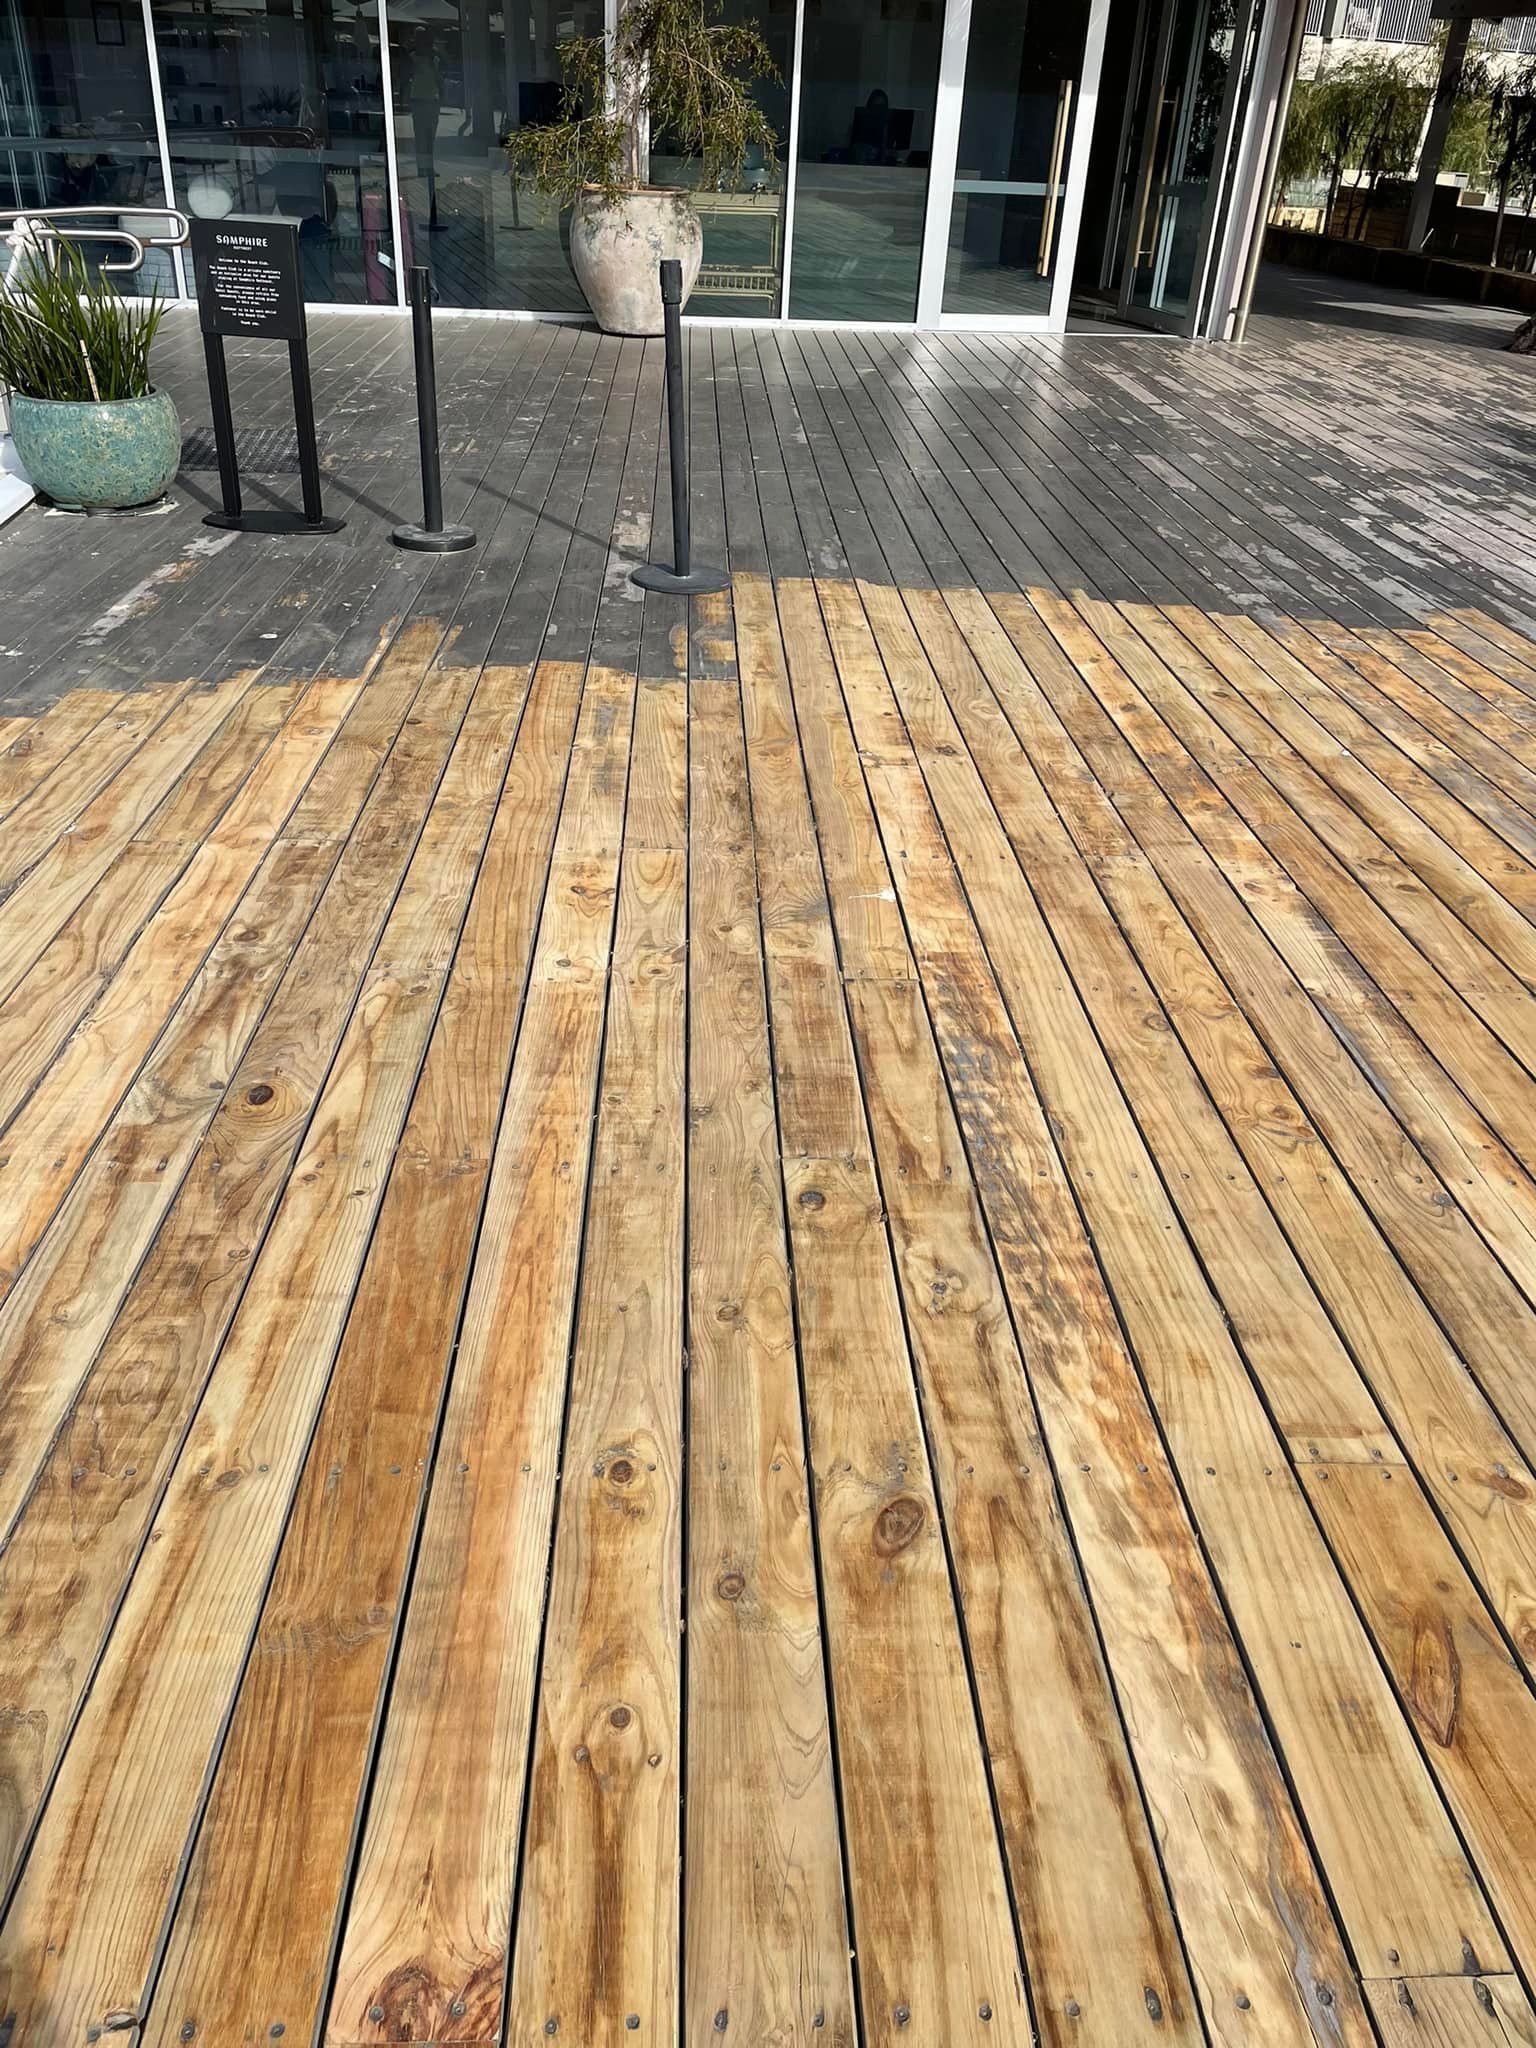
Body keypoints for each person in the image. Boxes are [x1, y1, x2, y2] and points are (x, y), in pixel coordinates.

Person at [407, 30, 445, 228]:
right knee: (420, 134)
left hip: (431, 99)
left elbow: (439, 79)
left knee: (430, 135)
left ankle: (428, 165)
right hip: (419, 99)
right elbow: (407, 76)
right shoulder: (413, 57)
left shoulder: (435, 58)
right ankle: (422, 166)